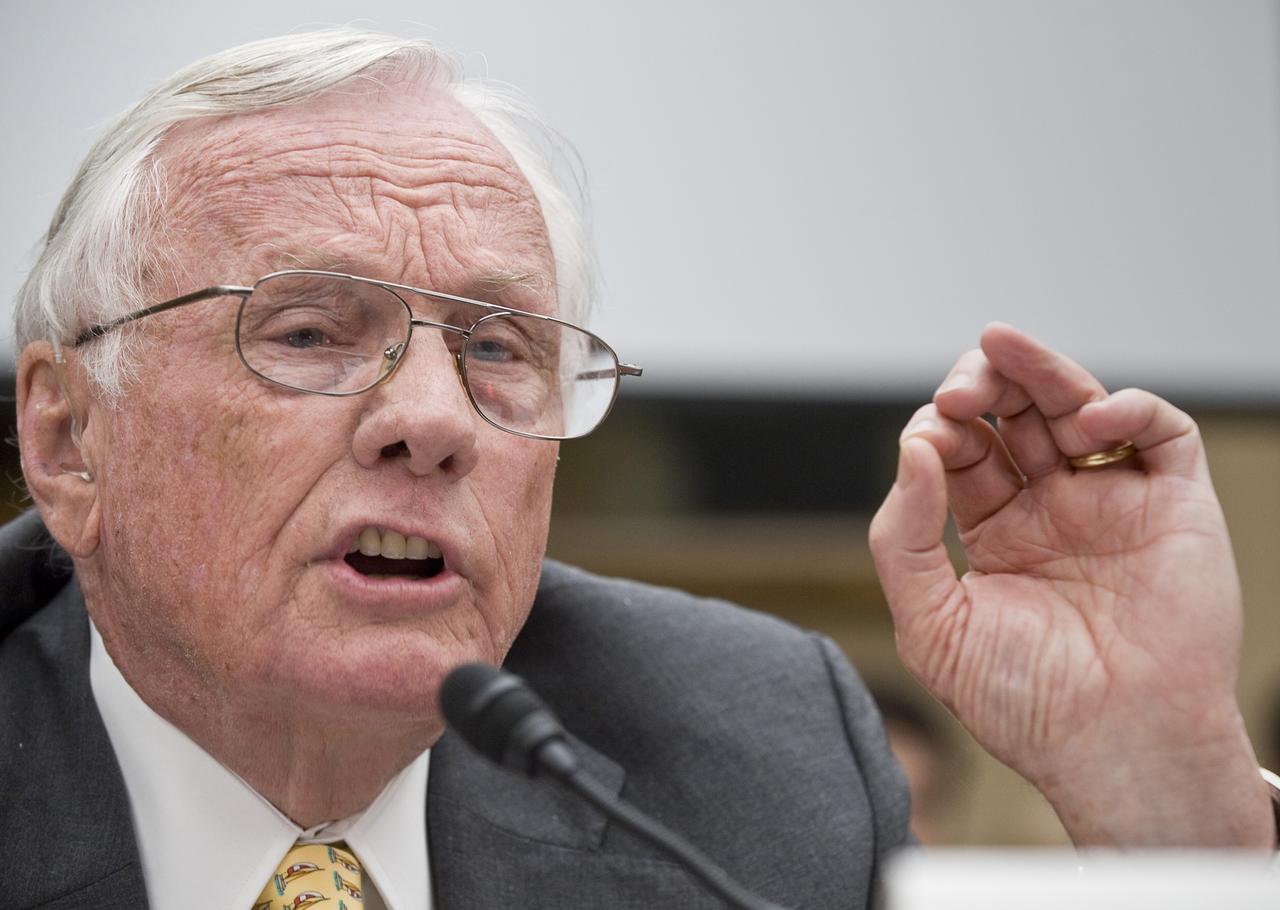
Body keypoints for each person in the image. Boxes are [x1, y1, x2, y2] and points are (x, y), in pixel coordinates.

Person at [0, 27, 1273, 910]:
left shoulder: (753, 754)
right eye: (308, 332)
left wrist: (1157, 791)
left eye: (499, 347)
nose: (432, 419)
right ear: (67, 438)